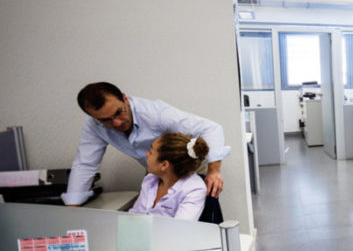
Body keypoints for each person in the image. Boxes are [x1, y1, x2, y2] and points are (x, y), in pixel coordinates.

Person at [63, 82, 229, 205]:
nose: (117, 123)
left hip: (188, 166)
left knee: (198, 211)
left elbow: (211, 129)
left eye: (119, 112)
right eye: (106, 120)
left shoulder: (156, 114)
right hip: (156, 170)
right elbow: (85, 164)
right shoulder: (94, 125)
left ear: (125, 98)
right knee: (152, 212)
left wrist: (214, 172)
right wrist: (72, 209)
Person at [129, 133, 209, 220]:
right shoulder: (150, 179)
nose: (146, 154)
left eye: (151, 152)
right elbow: (135, 216)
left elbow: (180, 226)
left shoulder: (194, 189)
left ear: (164, 165)